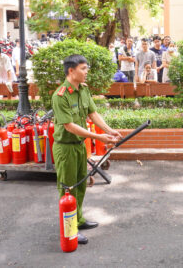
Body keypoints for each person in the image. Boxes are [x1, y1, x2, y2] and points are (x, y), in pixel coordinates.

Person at [52, 54, 121, 245]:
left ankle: (78, 220)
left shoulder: (83, 90)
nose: (86, 72)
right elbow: (69, 126)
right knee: (68, 189)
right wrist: (99, 137)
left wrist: (109, 130)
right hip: (65, 148)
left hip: (80, 146)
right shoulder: (60, 95)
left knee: (81, 185)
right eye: (83, 69)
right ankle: (69, 229)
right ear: (71, 71)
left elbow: (93, 113)